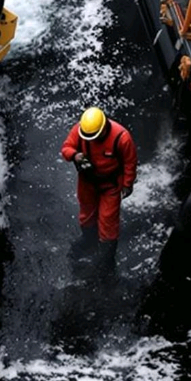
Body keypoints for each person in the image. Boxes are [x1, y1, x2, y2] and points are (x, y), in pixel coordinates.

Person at [61, 107, 138, 271]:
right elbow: (66, 148)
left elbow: (130, 162)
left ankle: (107, 255)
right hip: (87, 182)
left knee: (108, 218)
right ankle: (88, 239)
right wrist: (75, 155)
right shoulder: (80, 129)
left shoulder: (121, 137)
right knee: (86, 212)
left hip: (110, 184)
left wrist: (127, 184)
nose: (91, 140)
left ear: (103, 128)